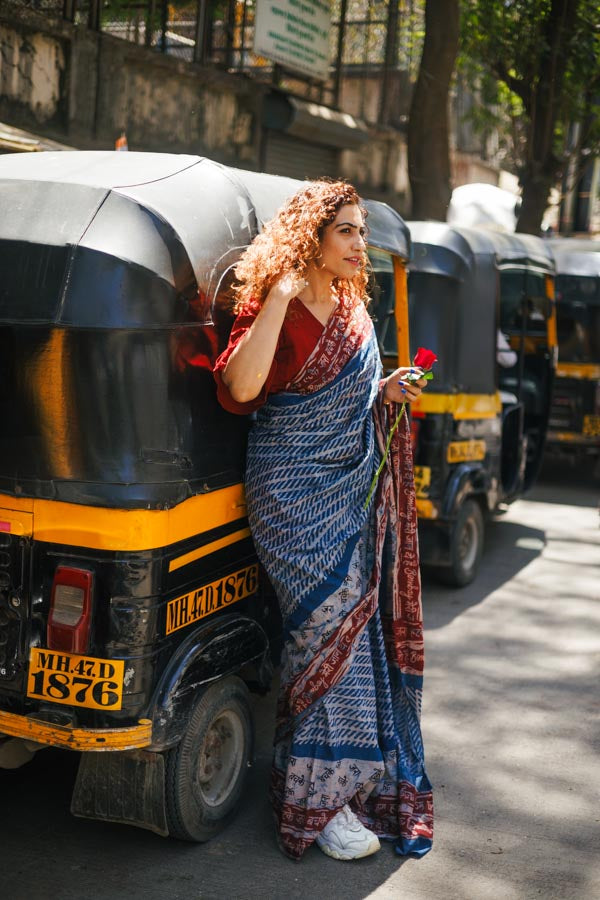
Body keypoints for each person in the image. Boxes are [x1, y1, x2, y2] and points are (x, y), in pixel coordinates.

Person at [214, 180, 433, 862]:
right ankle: (323, 805)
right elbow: (242, 389)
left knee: (341, 642)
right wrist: (278, 298)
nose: (359, 244)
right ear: (311, 235)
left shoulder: (348, 305)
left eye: (363, 231)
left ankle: (319, 784)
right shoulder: (276, 303)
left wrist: (382, 390)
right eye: (347, 230)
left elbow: (346, 391)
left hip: (345, 491)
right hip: (291, 498)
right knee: (326, 633)